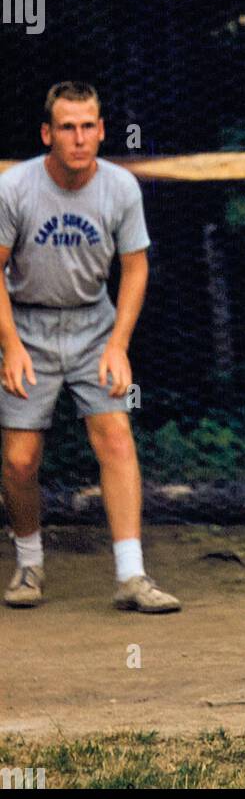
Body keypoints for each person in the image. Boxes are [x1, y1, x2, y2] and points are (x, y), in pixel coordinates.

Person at [0, 81, 179, 613]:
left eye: (87, 127)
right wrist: (10, 346)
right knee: (20, 457)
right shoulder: (16, 188)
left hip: (93, 325)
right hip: (27, 323)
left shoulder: (121, 188)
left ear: (101, 131)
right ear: (47, 134)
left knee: (116, 438)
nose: (78, 138)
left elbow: (136, 267)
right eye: (67, 127)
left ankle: (131, 576)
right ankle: (30, 564)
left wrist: (118, 344)